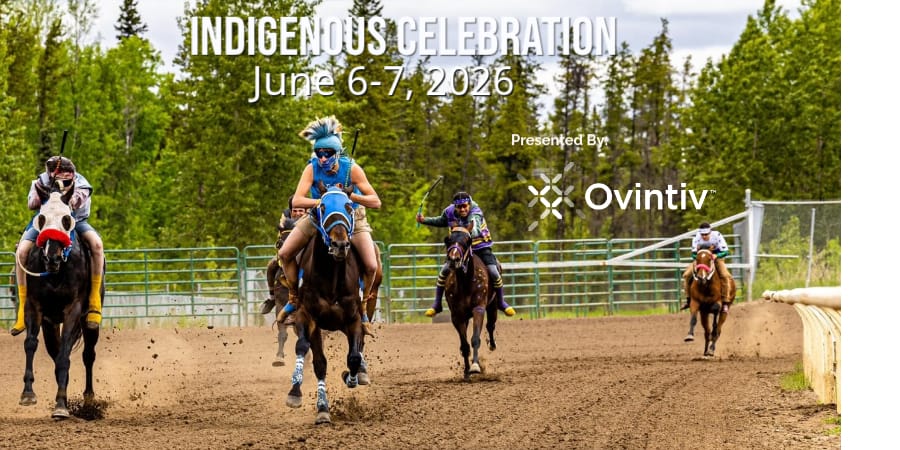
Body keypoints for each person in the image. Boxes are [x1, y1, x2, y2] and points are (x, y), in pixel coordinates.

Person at [276, 116, 381, 326]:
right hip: (318, 216)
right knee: (285, 253)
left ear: (337, 152)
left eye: (328, 153)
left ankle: (362, 305)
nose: (323, 158)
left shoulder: (351, 168)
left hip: (353, 218)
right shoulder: (312, 168)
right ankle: (294, 298)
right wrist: (325, 201)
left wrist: (349, 197)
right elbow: (297, 199)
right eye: (319, 153)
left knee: (371, 266)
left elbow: (375, 201)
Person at [11, 156, 105, 335]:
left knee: (97, 245)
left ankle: (94, 300)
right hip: (45, 222)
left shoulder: (81, 184)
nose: (63, 179)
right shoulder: (41, 181)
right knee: (22, 251)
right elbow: (32, 204)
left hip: (74, 221)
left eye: (67, 177)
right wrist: (46, 192)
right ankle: (23, 308)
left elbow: (76, 202)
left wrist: (61, 193)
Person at [416, 191, 515, 317]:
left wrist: (463, 232)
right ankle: (437, 304)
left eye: (465, 206)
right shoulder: (449, 211)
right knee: (444, 271)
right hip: (460, 249)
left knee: (493, 271)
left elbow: (475, 229)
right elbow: (441, 221)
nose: (462, 209)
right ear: (455, 207)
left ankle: (501, 302)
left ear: (469, 204)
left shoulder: (476, 213)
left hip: (480, 246)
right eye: (459, 207)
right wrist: (424, 220)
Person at [260, 196, 306, 315]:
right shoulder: (285, 216)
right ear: (291, 210)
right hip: (288, 250)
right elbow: (281, 227)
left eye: (301, 210)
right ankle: (271, 297)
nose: (297, 213)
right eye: (295, 210)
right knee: (271, 265)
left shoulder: (312, 216)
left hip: (306, 251)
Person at [681, 222, 734, 312]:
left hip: (716, 257)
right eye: (702, 235)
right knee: (686, 275)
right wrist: (699, 256)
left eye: (706, 234)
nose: (704, 236)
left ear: (710, 232)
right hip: (701, 259)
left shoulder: (717, 236)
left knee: (725, 276)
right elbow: (693, 255)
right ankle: (689, 299)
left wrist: (717, 256)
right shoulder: (696, 238)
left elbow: (726, 251)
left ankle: (725, 301)